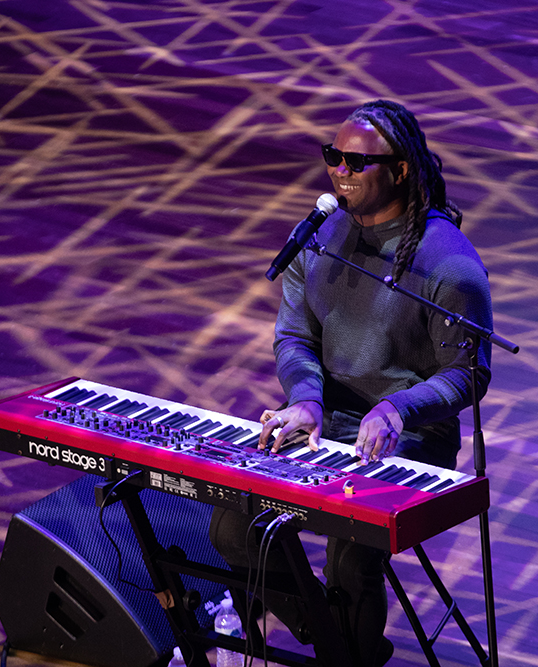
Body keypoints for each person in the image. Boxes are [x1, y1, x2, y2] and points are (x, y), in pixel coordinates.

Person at [209, 99, 493, 667]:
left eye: (357, 162)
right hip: (325, 421)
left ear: (402, 168)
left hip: (409, 435)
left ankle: (349, 649)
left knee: (349, 556)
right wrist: (306, 400)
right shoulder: (316, 236)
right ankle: (331, 633)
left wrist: (396, 410)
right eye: (333, 157)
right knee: (231, 525)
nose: (341, 170)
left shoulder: (449, 265)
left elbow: (467, 374)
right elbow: (293, 336)